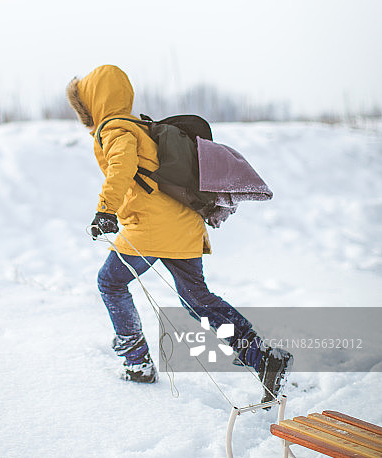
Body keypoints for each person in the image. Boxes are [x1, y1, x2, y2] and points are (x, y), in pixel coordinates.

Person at [66, 64, 291, 395]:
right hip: (185, 223)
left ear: (92, 102)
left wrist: (106, 210)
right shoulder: (141, 125)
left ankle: (136, 361)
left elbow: (121, 167)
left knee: (110, 283)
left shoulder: (114, 129)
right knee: (196, 297)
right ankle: (260, 355)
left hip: (150, 228)